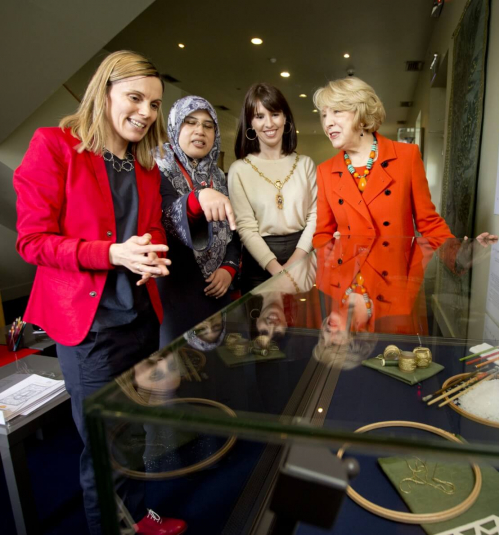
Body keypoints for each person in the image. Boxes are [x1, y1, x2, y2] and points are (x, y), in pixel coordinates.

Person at [13, 51, 185, 535]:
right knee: (106, 445)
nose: (146, 112)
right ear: (104, 91)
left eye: (154, 103)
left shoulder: (145, 165)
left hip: (140, 319)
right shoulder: (54, 146)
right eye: (135, 98)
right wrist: (112, 254)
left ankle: (136, 518)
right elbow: (32, 242)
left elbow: (150, 230)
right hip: (87, 330)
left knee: (133, 433)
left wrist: (151, 254)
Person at [311, 77, 497, 248]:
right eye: (324, 115)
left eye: (336, 111)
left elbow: (429, 223)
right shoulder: (325, 170)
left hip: (395, 277)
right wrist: (332, 250)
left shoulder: (406, 156)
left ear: (361, 114)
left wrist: (460, 252)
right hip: (348, 280)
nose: (328, 123)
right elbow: (322, 234)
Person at [155, 95, 241, 346]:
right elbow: (163, 223)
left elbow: (232, 231)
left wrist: (229, 268)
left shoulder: (218, 176)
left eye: (207, 125)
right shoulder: (154, 168)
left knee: (216, 369)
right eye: (190, 122)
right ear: (174, 126)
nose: (199, 131)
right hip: (174, 289)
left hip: (217, 288)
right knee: (177, 365)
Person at [228, 83, 317, 295]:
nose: (269, 123)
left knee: (301, 325)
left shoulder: (305, 164)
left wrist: (295, 263)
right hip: (259, 263)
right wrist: (278, 271)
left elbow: (316, 215)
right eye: (259, 116)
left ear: (285, 118)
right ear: (250, 122)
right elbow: (246, 228)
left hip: (303, 254)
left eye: (275, 114)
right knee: (261, 328)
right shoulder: (239, 170)